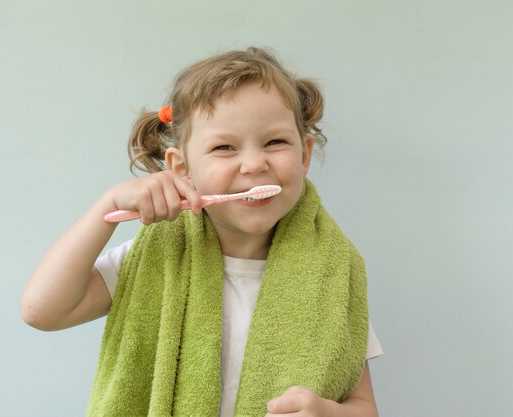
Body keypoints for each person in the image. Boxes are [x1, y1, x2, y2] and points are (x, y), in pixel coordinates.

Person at [21, 47, 383, 416]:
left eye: (276, 142)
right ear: (181, 168)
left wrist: (327, 412)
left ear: (304, 155)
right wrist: (106, 207)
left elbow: (364, 407)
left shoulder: (333, 272)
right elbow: (42, 310)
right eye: (224, 147)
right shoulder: (155, 258)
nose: (255, 164)